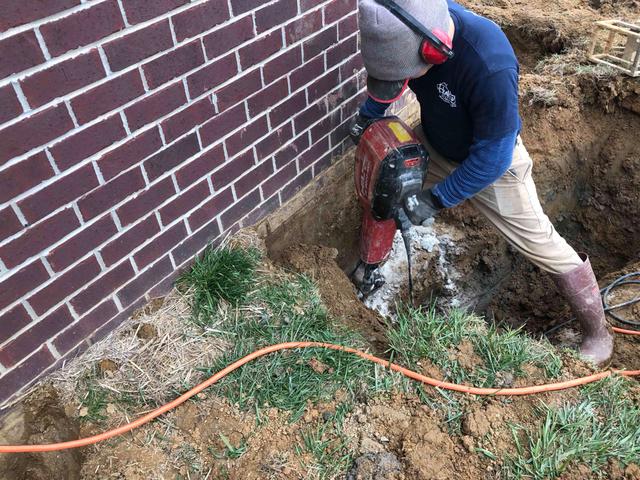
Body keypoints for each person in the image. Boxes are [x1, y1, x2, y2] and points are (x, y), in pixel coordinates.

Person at [350, 0, 614, 365]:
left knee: (542, 243)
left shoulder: (490, 62)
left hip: (491, 162)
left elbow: (494, 155)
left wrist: (435, 199)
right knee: (387, 177)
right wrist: (369, 115)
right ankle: (370, 269)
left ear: (434, 47)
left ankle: (597, 335)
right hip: (438, 141)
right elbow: (390, 79)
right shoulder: (409, 15)